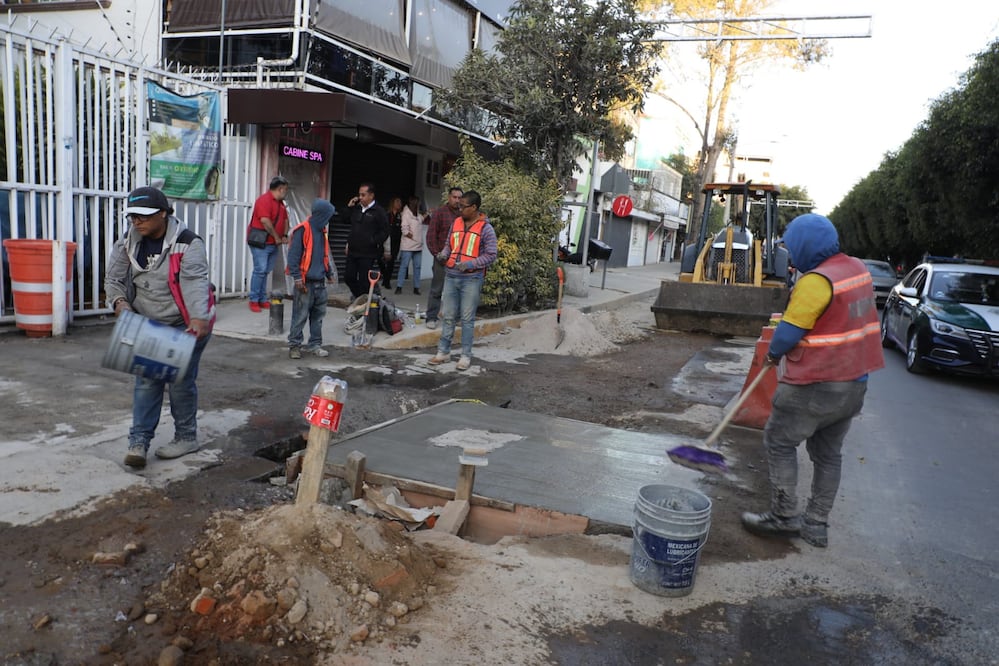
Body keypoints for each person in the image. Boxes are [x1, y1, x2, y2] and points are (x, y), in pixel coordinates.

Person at [741, 213, 884, 548]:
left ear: (807, 246)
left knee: (779, 441)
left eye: (793, 248)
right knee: (828, 453)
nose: (790, 255)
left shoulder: (817, 281)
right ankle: (816, 524)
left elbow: (788, 334)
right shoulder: (856, 270)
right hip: (854, 384)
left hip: (815, 384)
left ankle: (783, 516)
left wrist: (773, 353)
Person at [105, 186, 215, 470]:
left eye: (143, 216)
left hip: (186, 323)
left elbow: (194, 283)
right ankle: (138, 442)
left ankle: (187, 437)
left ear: (164, 214)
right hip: (148, 322)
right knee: (147, 382)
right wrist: (120, 304)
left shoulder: (189, 244)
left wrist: (199, 318)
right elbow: (113, 279)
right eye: (133, 217)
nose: (137, 222)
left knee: (179, 382)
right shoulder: (127, 242)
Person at [427, 190, 497, 371]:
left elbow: (491, 255)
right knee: (448, 316)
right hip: (451, 275)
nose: (459, 209)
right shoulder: (456, 223)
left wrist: (470, 264)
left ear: (474, 208)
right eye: (458, 205)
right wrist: (444, 254)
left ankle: (465, 355)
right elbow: (449, 244)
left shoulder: (486, 229)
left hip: (472, 279)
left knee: (467, 319)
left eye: (463, 206)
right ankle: (443, 352)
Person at [286, 199, 337, 359]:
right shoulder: (302, 230)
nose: (329, 220)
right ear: (321, 215)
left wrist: (328, 273)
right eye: (328, 216)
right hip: (305, 283)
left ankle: (315, 344)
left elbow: (323, 255)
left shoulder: (322, 232)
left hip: (319, 283)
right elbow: (293, 257)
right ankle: (294, 346)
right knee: (300, 316)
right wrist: (297, 278)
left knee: (318, 317)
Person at [246, 176, 290, 312]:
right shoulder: (264, 200)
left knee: (265, 271)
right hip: (261, 242)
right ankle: (254, 299)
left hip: (273, 243)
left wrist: (284, 235)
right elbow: (265, 221)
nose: (286, 192)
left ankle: (262, 298)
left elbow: (285, 220)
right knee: (260, 270)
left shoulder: (281, 204)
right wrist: (277, 237)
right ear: (280, 189)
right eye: (285, 190)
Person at [424, 187, 463, 329]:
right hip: (441, 258)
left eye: (460, 198)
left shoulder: (463, 215)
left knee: (457, 290)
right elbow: (431, 236)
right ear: (449, 197)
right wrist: (437, 254)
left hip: (458, 260)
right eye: (454, 197)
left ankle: (456, 318)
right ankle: (431, 318)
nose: (457, 200)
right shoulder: (440, 213)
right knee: (436, 289)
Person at [343, 182, 389, 299]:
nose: (360, 197)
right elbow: (345, 220)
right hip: (353, 251)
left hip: (367, 253)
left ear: (371, 195)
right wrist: (349, 207)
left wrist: (373, 240)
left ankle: (366, 300)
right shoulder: (357, 208)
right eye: (359, 194)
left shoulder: (378, 211)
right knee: (349, 277)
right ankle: (360, 298)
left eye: (363, 195)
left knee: (364, 280)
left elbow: (385, 231)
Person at [395, 195, 425, 295]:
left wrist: (429, 213)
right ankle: (399, 287)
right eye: (418, 203)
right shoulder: (406, 214)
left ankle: (416, 287)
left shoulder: (417, 214)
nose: (419, 204)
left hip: (418, 246)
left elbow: (421, 219)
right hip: (408, 246)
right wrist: (413, 237)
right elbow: (404, 230)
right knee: (404, 266)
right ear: (414, 203)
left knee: (417, 267)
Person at [380, 196, 403, 290]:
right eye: (397, 202)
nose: (399, 204)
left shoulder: (400, 215)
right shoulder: (387, 214)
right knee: (380, 259)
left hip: (395, 241)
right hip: (385, 239)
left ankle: (387, 281)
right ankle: (385, 276)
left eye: (400, 202)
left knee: (391, 262)